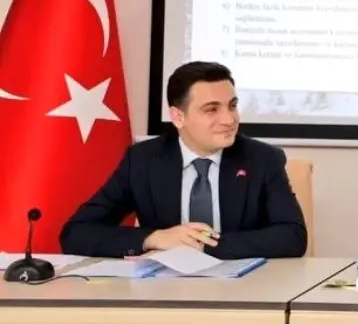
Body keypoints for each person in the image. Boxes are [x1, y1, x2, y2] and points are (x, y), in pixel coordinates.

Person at [60, 61, 307, 260]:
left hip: (244, 287)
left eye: (232, 106)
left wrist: (200, 245)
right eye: (212, 109)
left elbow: (292, 236)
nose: (229, 119)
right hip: (163, 289)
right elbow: (77, 232)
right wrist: (154, 238)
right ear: (178, 117)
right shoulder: (143, 160)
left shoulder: (262, 159)